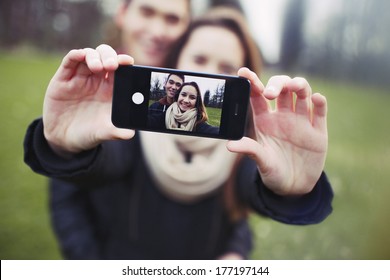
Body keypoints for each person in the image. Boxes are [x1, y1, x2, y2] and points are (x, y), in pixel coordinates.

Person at [24, 7, 333, 260]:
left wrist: (291, 190)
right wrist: (63, 147)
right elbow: (100, 166)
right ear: (176, 63)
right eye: (199, 60)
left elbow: (245, 201)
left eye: (227, 66)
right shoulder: (136, 122)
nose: (210, 74)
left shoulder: (244, 144)